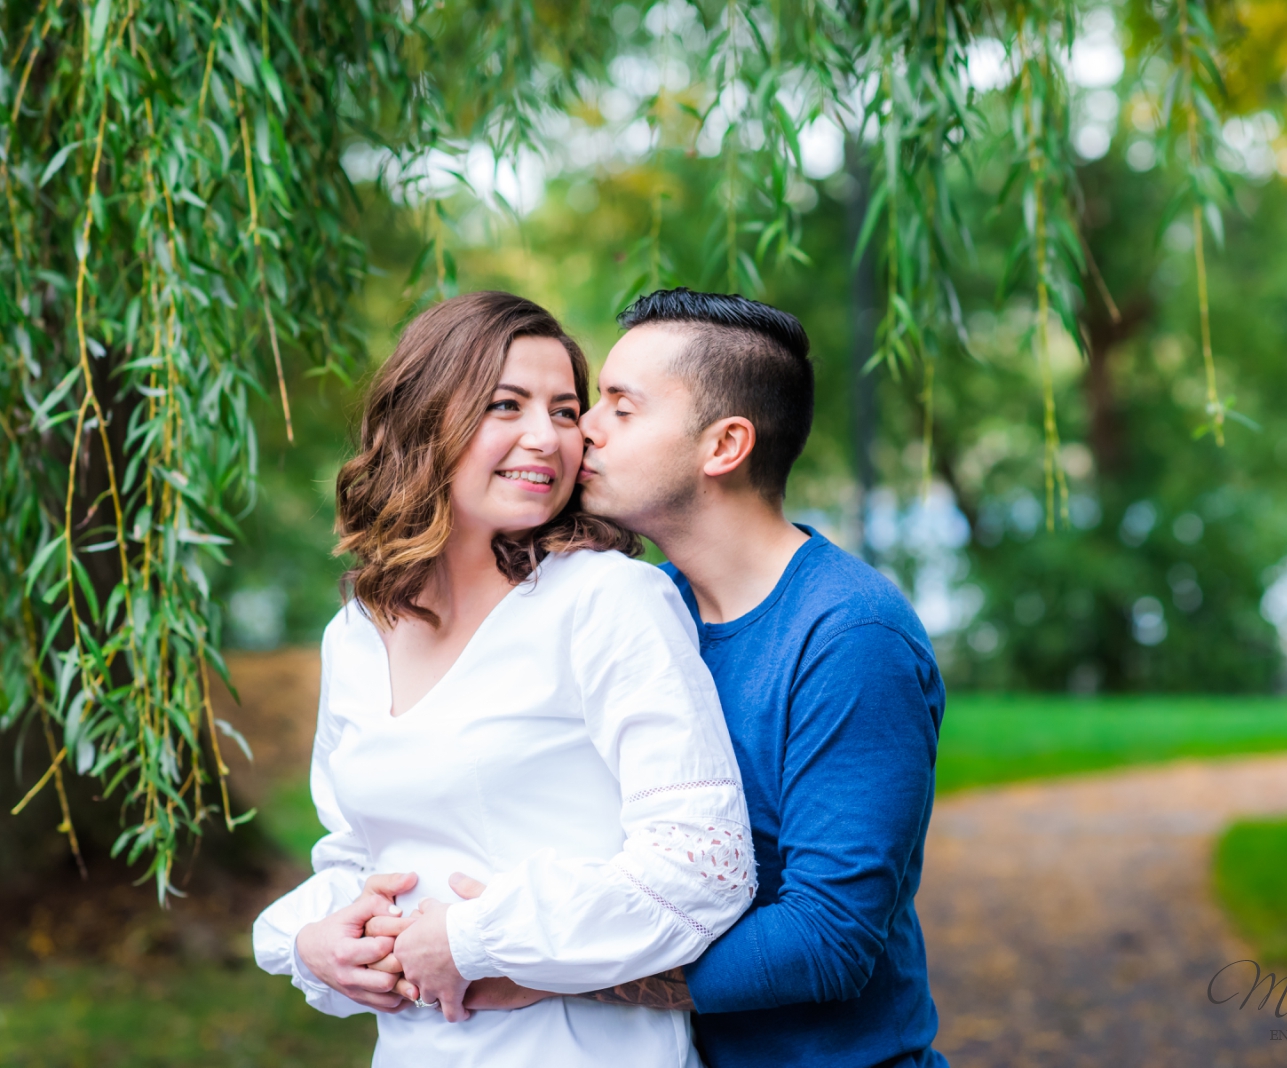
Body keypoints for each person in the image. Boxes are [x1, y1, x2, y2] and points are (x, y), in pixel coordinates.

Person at [251, 290, 754, 1068]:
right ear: (423, 422)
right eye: (504, 405)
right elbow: (356, 854)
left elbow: (702, 866)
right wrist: (311, 944)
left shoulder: (606, 600)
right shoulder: (355, 634)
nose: (546, 438)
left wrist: (475, 941)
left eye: (564, 411)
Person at [574, 289, 948, 1067]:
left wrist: (555, 973)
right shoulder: (647, 609)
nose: (585, 428)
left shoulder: (849, 635)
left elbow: (827, 939)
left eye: (621, 406)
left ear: (724, 445)